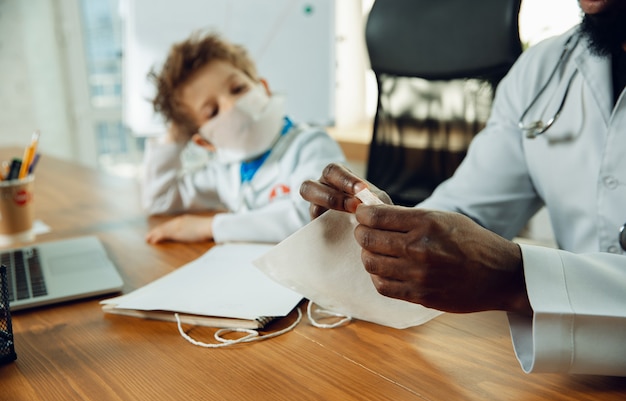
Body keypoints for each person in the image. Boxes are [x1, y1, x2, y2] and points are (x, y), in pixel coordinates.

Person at [299, 0, 626, 376]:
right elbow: (467, 212)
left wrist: (517, 278)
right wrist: (383, 227)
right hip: (574, 377)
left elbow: (495, 264)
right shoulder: (543, 70)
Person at [141, 32, 345, 244]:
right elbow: (160, 199)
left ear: (264, 89)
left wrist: (210, 227)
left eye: (238, 89)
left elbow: (311, 220)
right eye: (212, 112)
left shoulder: (311, 145)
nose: (232, 106)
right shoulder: (225, 170)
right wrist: (176, 134)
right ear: (205, 142)